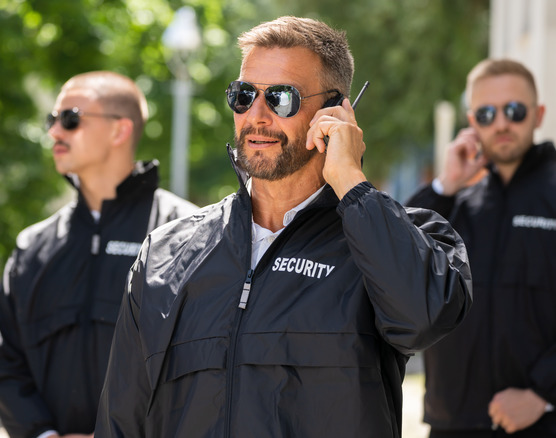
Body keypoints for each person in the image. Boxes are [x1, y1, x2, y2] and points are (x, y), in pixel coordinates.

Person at [95, 16, 473, 438]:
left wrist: (350, 181)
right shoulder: (165, 253)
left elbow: (423, 319)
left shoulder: (396, 239)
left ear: (334, 113)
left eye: (280, 97)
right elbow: (120, 420)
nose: (256, 115)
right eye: (243, 96)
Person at [0, 71, 197, 438]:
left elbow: (202, 363)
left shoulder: (187, 234)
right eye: (52, 119)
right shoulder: (32, 246)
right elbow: (3, 359)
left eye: (70, 119)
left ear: (119, 130)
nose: (54, 132)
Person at [407, 59, 556, 437]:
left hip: (540, 422)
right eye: (487, 114)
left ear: (538, 115)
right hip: (452, 423)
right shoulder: (455, 202)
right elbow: (401, 266)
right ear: (473, 122)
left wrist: (543, 393)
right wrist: (445, 186)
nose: (502, 123)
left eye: (515, 111)